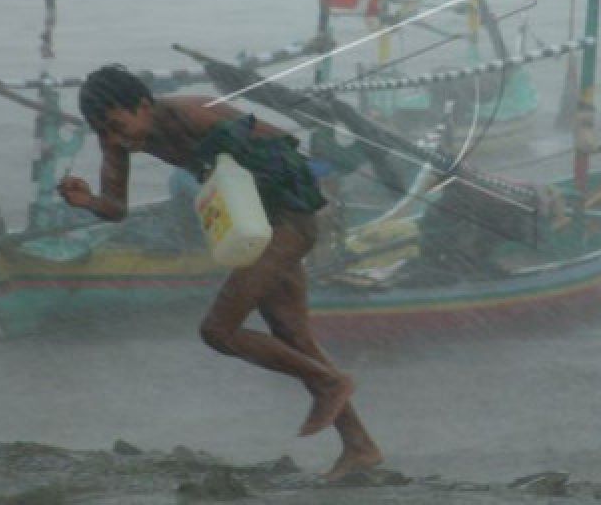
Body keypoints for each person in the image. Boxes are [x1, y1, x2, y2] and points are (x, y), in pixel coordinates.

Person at [57, 64, 382, 480]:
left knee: (218, 330)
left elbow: (285, 156)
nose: (114, 140)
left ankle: (330, 382)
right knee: (292, 336)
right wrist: (86, 201)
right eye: (102, 132)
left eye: (117, 126)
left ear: (142, 105)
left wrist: (271, 221)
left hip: (287, 218)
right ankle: (360, 446)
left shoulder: (193, 114)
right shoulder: (119, 142)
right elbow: (116, 208)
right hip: (256, 227)